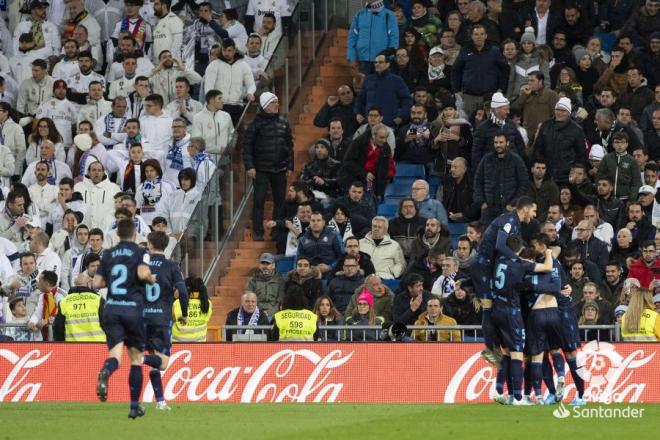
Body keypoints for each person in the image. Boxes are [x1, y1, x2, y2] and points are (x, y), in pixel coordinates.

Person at [93, 219, 156, 418]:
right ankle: (134, 406)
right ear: (135, 234)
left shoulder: (108, 254)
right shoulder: (140, 252)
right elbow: (143, 272)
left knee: (115, 357)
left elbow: (96, 282)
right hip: (132, 310)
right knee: (136, 360)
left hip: (111, 309)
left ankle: (106, 371)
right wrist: (151, 278)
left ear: (118, 234)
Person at [140, 231, 188, 410]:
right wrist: (184, 313)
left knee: (155, 360)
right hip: (161, 319)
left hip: (142, 319)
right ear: (166, 245)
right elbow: (183, 292)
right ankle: (139, 359)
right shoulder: (172, 266)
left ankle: (160, 401)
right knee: (162, 362)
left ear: (150, 245)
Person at [243, 92, 292, 241]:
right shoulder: (255, 124)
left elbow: (289, 146)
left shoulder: (284, 122)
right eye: (273, 102)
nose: (276, 105)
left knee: (280, 202)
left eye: (277, 102)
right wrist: (250, 166)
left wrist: (290, 166)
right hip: (261, 170)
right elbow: (247, 147)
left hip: (280, 169)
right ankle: (258, 232)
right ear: (265, 106)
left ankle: (276, 232)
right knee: (258, 201)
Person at [451, 24, 509, 117]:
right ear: (472, 36)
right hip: (469, 96)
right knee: (469, 123)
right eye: (476, 34)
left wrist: (501, 88)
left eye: (482, 34)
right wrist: (457, 90)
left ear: (486, 36)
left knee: (491, 122)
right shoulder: (465, 50)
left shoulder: (494, 51)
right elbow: (456, 70)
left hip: (490, 95)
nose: (479, 37)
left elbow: (505, 70)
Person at [473, 132, 529, 224]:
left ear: (507, 143)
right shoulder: (486, 160)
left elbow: (524, 183)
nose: (498, 145)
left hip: (508, 209)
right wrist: (481, 202)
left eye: (501, 142)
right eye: (496, 142)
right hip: (488, 210)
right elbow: (478, 181)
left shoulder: (516, 160)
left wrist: (513, 203)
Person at [533, 97, 586, 184]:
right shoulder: (546, 126)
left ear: (569, 113)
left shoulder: (577, 130)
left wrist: (575, 172)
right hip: (547, 174)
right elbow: (538, 149)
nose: (559, 113)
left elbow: (581, 155)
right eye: (557, 109)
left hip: (566, 175)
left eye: (563, 110)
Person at [354, 52, 412, 128]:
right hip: (369, 124)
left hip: (389, 124)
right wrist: (358, 113)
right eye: (376, 62)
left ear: (388, 64)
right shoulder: (368, 79)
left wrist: (401, 117)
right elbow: (360, 99)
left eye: (380, 62)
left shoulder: (397, 80)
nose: (377, 64)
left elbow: (407, 100)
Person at [338, 124, 395, 199]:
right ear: (373, 136)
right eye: (381, 137)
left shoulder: (385, 148)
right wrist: (364, 174)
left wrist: (379, 193)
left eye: (385, 138)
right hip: (351, 182)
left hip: (371, 186)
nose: (384, 140)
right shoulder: (359, 142)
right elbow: (348, 162)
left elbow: (383, 173)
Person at [471, 92, 526, 166]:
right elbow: (476, 155)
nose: (508, 112)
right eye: (505, 109)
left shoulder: (511, 125)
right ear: (497, 109)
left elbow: (520, 148)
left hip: (511, 168)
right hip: (491, 170)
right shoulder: (482, 128)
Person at [346, 0, 399, 74]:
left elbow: (394, 39)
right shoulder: (359, 14)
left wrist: (389, 58)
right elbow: (352, 38)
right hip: (363, 60)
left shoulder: (389, 15)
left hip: (382, 60)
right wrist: (351, 57)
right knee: (364, 85)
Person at [53, 273, 105, 342]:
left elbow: (58, 328)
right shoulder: (98, 300)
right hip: (98, 347)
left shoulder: (64, 302)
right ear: (89, 283)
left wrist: (62, 345)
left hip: (73, 348)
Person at [597, 132, 642, 201]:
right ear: (613, 144)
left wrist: (632, 198)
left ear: (627, 144)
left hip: (625, 198)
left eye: (623, 142)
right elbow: (599, 176)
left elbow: (636, 182)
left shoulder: (632, 161)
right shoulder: (607, 158)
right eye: (617, 142)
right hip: (608, 198)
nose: (620, 145)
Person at [244, 252, 285, 318]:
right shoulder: (252, 280)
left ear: (273, 265)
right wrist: (259, 312)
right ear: (259, 265)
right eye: (263, 263)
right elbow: (249, 298)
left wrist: (270, 312)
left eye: (268, 264)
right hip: (255, 312)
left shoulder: (280, 280)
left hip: (274, 312)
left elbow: (280, 300)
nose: (265, 266)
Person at [172, 277, 212, 342]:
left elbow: (171, 319)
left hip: (177, 345)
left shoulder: (177, 303)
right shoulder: (207, 304)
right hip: (199, 346)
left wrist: (175, 296)